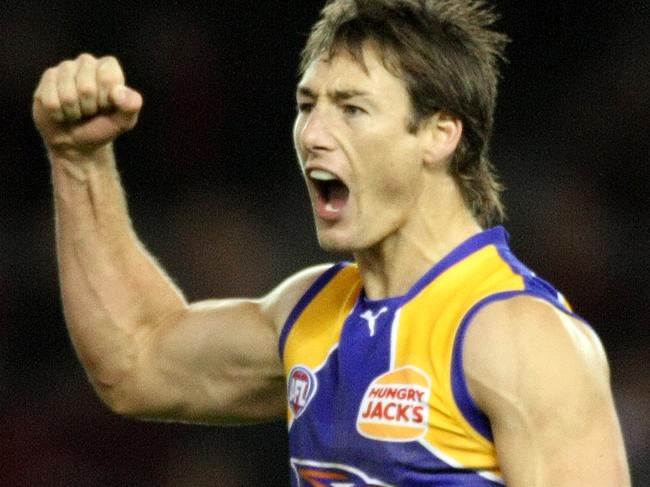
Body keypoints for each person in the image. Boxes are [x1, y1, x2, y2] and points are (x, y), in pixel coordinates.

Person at [33, 0, 630, 485]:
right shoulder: (310, 313)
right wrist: (78, 160)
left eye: (351, 108)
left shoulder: (520, 338)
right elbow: (134, 362)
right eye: (306, 105)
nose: (313, 134)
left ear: (440, 133)